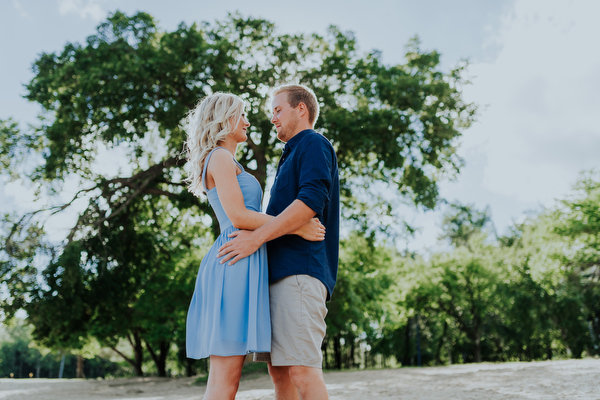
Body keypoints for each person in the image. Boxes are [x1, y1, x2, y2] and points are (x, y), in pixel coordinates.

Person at [183, 92, 326, 400]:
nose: (248, 121)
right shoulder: (219, 157)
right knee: (226, 378)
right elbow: (237, 215)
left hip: (245, 262)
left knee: (229, 377)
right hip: (235, 260)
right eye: (241, 115)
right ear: (224, 120)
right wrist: (298, 226)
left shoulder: (227, 159)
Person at [218, 84, 340, 400]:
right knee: (281, 375)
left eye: (277, 110)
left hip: (300, 272)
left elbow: (311, 201)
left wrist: (256, 238)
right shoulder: (289, 155)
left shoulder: (313, 143)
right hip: (277, 276)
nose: (272, 118)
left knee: (301, 370)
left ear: (301, 108)